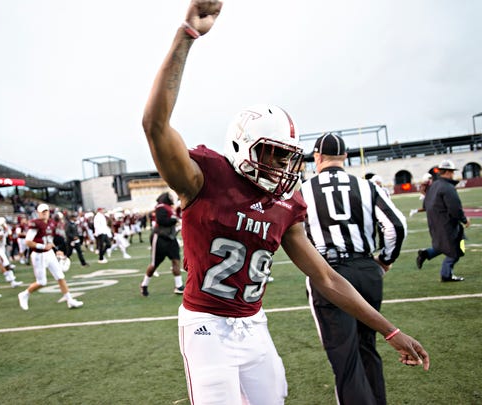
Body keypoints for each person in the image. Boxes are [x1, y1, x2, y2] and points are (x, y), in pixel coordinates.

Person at [141, 1, 428, 404]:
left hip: (253, 324)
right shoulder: (203, 176)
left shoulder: (286, 204)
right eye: (272, 153)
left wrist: (390, 330)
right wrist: (186, 35)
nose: (281, 165)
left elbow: (327, 279)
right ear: (243, 146)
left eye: (286, 155)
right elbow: (155, 125)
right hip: (206, 325)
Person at [302, 133, 407, 405]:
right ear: (345, 157)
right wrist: (384, 260)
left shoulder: (304, 190)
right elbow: (396, 226)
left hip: (329, 273)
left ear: (317, 157)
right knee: (366, 346)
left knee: (344, 357)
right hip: (365, 267)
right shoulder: (367, 186)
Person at [17, 203, 83, 310]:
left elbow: (50, 240)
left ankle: (70, 300)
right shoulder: (35, 224)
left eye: (46, 211)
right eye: (42, 212)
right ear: (38, 213)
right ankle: (24, 294)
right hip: (39, 255)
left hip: (49, 254)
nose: (45, 213)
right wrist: (43, 246)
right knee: (41, 282)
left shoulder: (51, 223)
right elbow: (28, 242)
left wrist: (57, 250)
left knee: (60, 276)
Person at [417, 160, 470, 281]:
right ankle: (446, 274)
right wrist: (464, 220)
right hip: (447, 223)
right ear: (448, 172)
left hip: (435, 223)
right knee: (456, 249)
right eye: (452, 172)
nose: (453, 174)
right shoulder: (447, 187)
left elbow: (425, 205)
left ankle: (427, 253)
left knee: (446, 244)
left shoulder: (433, 186)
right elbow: (455, 208)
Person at [139, 192, 184, 297]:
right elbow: (162, 220)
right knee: (154, 264)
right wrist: (174, 220)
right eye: (170, 197)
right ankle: (144, 284)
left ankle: (179, 285)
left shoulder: (169, 207)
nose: (172, 198)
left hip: (170, 238)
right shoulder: (161, 207)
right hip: (160, 238)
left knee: (176, 260)